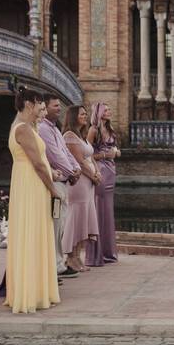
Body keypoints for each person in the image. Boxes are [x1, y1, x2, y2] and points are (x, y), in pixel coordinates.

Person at [5, 87, 60, 313]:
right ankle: (30, 292)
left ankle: (36, 288)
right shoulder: (23, 129)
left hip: (30, 181)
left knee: (36, 233)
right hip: (31, 184)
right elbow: (37, 164)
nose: (42, 109)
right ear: (29, 104)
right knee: (32, 233)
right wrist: (53, 188)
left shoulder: (27, 127)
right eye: (39, 105)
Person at [37, 94, 82, 280]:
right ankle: (54, 266)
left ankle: (58, 263)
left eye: (58, 105)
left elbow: (65, 152)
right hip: (55, 183)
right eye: (55, 106)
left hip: (63, 181)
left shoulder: (54, 129)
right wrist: (71, 172)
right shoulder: (43, 130)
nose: (59, 108)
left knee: (61, 224)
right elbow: (54, 155)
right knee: (55, 225)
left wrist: (76, 168)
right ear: (44, 108)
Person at [62, 104, 100, 272]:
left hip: (89, 183)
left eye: (86, 113)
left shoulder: (82, 135)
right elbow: (78, 161)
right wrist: (93, 176)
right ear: (73, 116)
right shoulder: (69, 136)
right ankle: (70, 257)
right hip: (79, 184)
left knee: (84, 220)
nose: (85, 116)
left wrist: (97, 172)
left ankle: (78, 256)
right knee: (76, 219)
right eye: (82, 114)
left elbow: (90, 157)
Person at [85, 102, 120, 266]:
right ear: (98, 113)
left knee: (108, 212)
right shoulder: (93, 130)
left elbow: (115, 150)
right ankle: (95, 255)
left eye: (109, 109)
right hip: (100, 171)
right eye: (106, 110)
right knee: (99, 211)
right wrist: (105, 156)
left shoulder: (111, 130)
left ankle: (108, 252)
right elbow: (87, 154)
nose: (109, 111)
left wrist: (115, 153)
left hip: (111, 172)